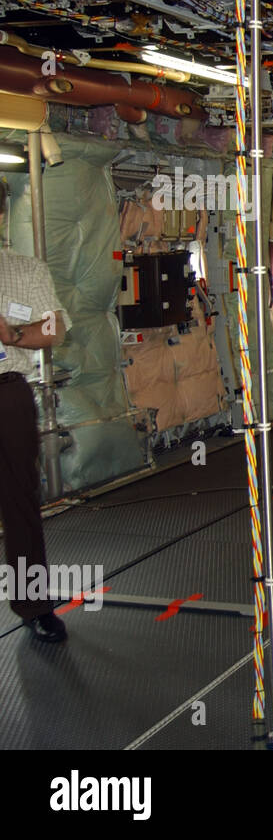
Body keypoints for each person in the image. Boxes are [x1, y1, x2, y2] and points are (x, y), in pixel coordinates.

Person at [0, 249, 71, 643]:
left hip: (7, 391)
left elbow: (55, 329)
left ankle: (33, 606)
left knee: (20, 505)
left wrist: (12, 335)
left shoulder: (25, 269)